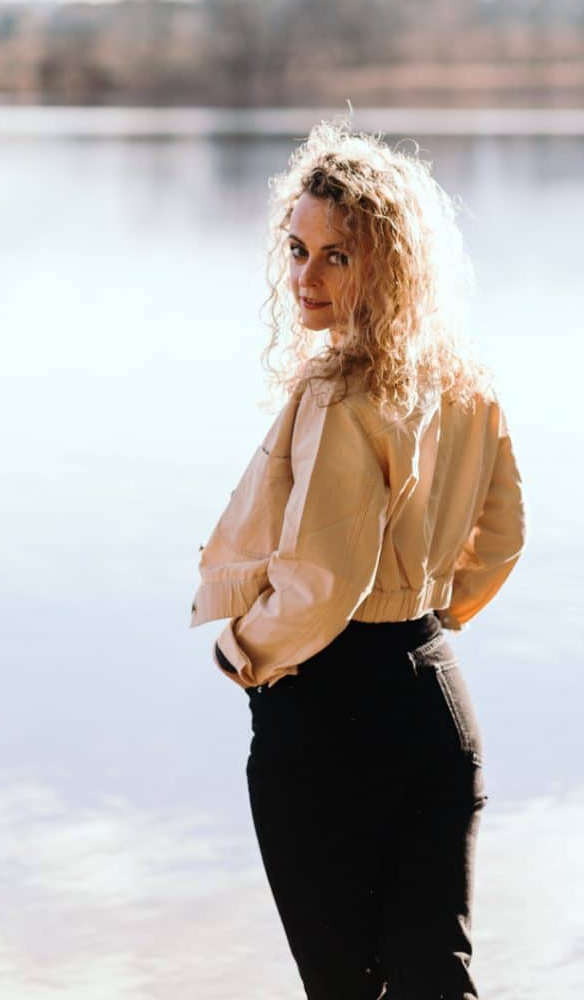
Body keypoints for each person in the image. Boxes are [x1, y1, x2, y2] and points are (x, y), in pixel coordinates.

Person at [190, 117, 526, 1000]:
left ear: (391, 263)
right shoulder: (463, 380)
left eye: (338, 256)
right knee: (436, 981)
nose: (305, 276)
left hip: (330, 709)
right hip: (434, 699)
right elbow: (500, 539)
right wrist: (429, 620)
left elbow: (321, 581)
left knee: (347, 989)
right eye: (297, 248)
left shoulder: (339, 390)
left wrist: (244, 653)